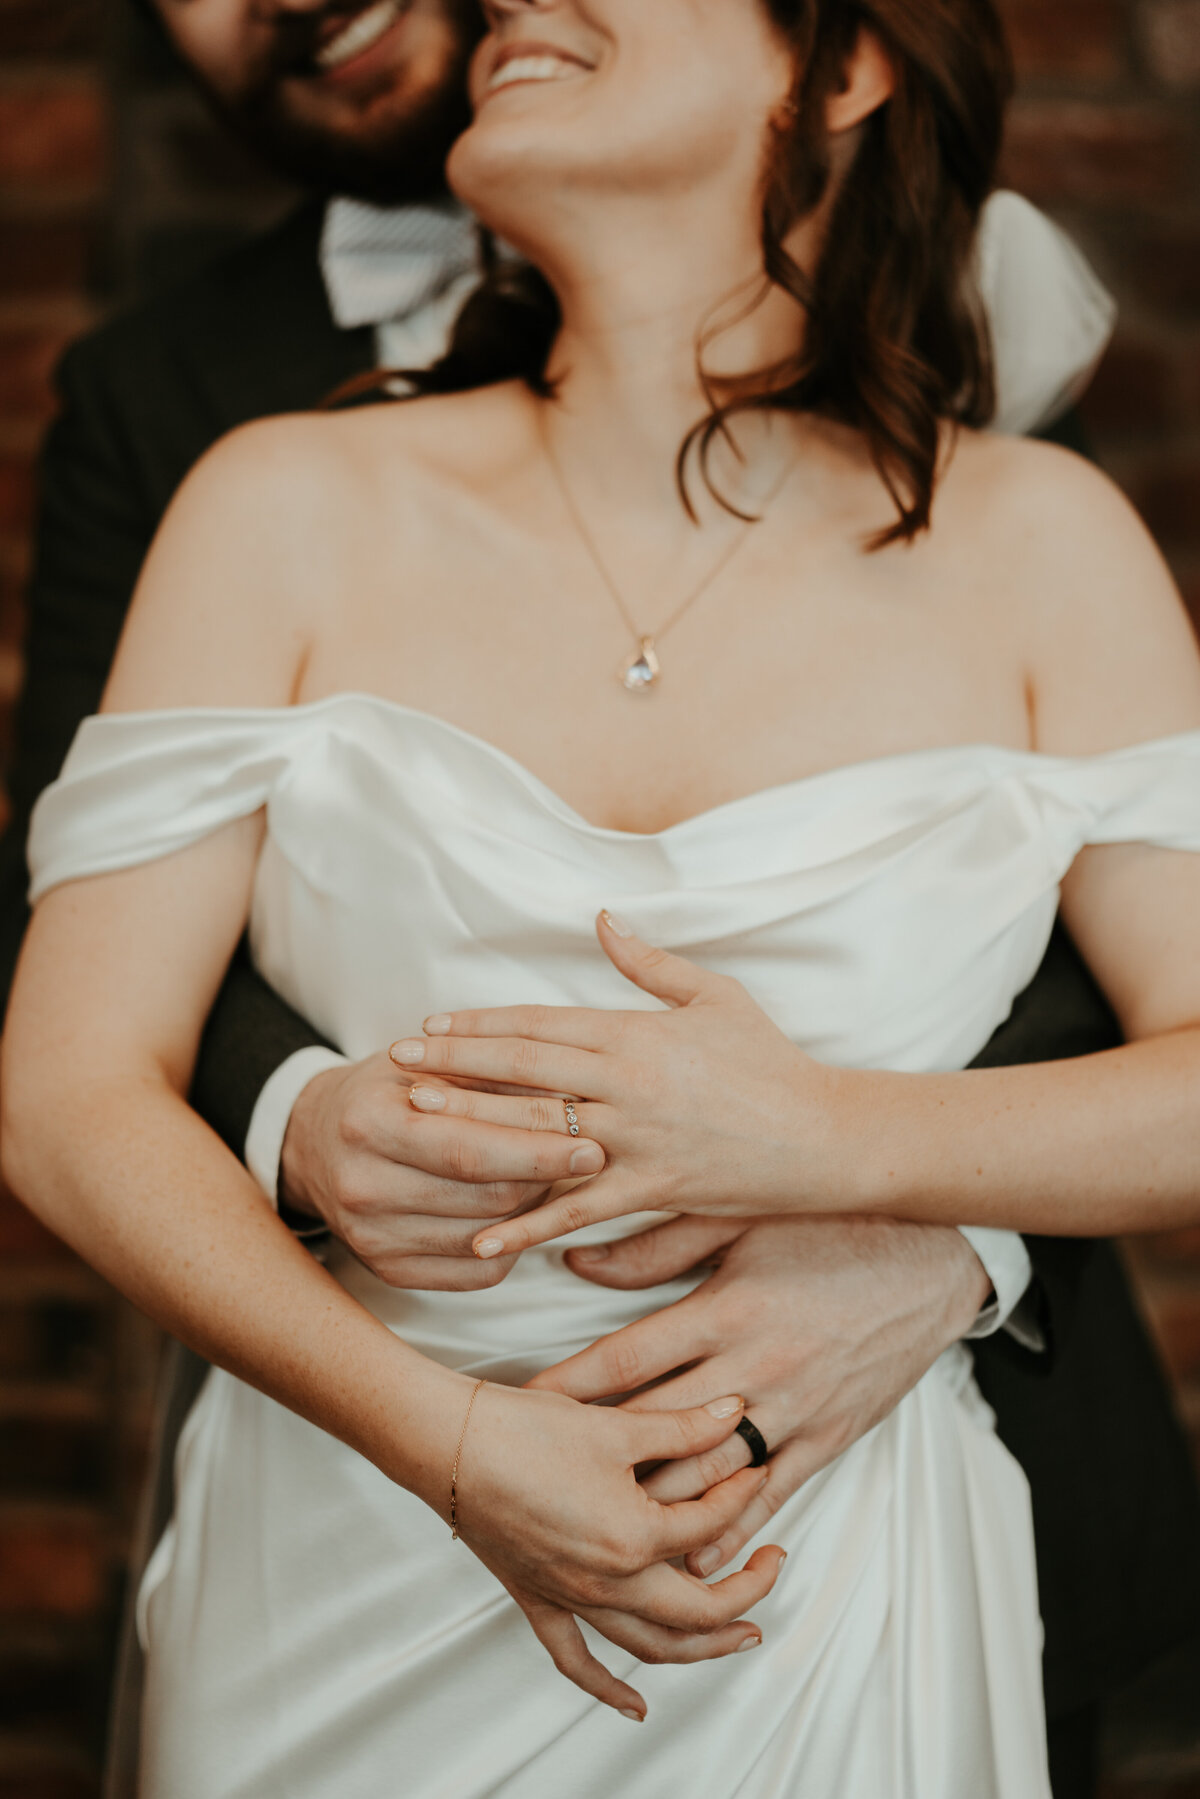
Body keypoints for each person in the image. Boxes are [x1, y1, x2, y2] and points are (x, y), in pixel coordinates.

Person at [3, 2, 1197, 1796]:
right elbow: (68, 1092)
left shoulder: (1042, 544)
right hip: (347, 1551)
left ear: (846, 66)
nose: (513, 5)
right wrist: (459, 1450)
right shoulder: (271, 499)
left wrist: (829, 1142)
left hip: (832, 1576)